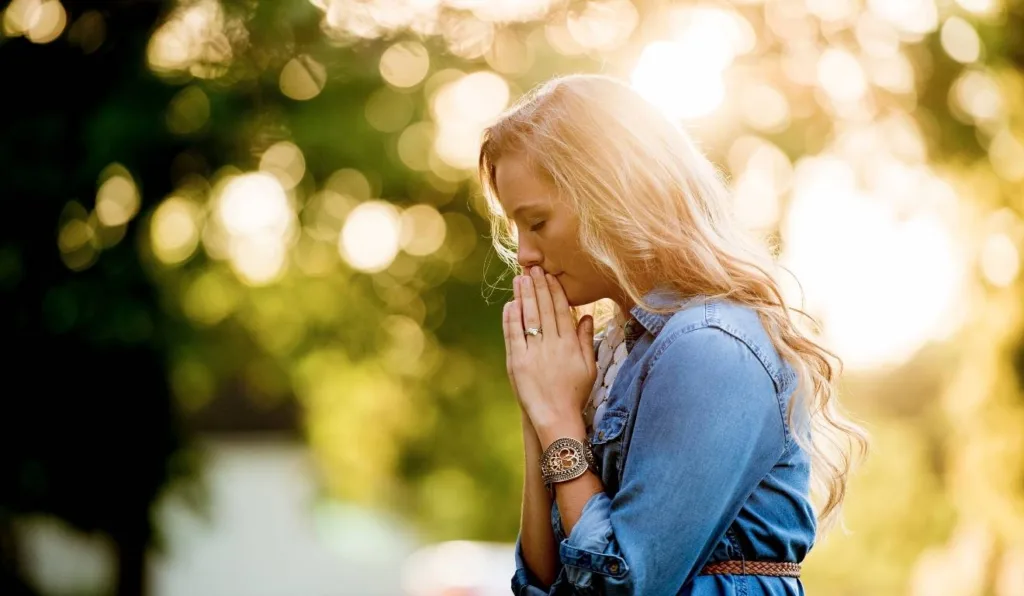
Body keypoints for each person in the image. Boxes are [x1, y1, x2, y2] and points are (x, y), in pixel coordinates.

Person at [480, 74, 869, 595]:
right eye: (517, 230)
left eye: (538, 222)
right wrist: (541, 406)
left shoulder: (710, 345)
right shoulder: (613, 354)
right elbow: (542, 582)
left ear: (609, 195)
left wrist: (558, 424)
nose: (525, 254)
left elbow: (626, 586)